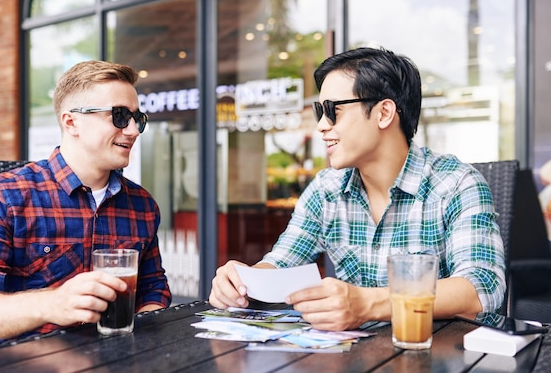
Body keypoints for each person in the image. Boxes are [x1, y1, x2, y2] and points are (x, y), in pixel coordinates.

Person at [209, 47, 506, 331]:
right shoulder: (326, 190)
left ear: (384, 113)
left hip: (439, 356)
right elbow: (281, 263)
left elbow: (480, 289)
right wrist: (241, 281)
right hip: (357, 355)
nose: (322, 126)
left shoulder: (455, 184)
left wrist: (366, 303)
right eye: (319, 112)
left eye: (333, 110)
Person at [0, 60, 171, 347]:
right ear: (71, 121)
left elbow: (153, 291)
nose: (134, 130)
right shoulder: (4, 196)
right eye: (120, 116)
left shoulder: (142, 205)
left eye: (139, 119)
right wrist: (52, 304)